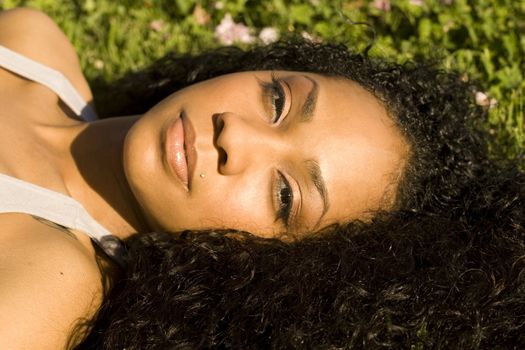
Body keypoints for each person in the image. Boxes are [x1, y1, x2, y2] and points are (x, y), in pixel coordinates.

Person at [0, 7, 522, 349]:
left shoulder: (47, 282)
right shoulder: (32, 43)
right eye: (278, 101)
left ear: (265, 269)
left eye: (284, 194)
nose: (237, 138)